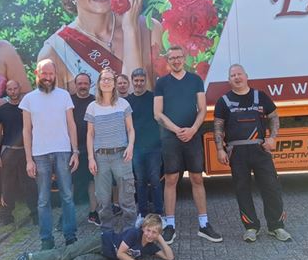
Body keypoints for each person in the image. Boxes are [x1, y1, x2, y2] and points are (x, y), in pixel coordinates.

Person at [213, 64, 291, 242]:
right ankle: (251, 227)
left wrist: (272, 138)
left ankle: (276, 226)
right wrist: (219, 149)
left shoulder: (260, 96)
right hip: (236, 151)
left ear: (246, 76)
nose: (237, 77)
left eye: (239, 74)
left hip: (259, 150)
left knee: (271, 187)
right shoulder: (223, 101)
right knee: (242, 190)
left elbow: (274, 117)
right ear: (229, 80)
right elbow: (218, 126)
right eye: (233, 75)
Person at [154, 46, 222, 244]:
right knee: (171, 179)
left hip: (192, 136)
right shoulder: (162, 83)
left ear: (184, 58)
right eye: (172, 58)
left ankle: (204, 224)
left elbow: (203, 109)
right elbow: (157, 113)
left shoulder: (195, 80)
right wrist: (176, 130)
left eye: (179, 57)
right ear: (168, 60)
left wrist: (192, 129)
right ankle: (170, 226)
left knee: (196, 178)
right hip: (170, 137)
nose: (176, 61)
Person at [20, 59, 79, 250]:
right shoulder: (28, 99)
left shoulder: (64, 96)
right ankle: (46, 239)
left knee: (67, 196)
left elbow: (72, 125)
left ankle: (70, 236)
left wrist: (75, 151)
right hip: (40, 155)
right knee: (43, 199)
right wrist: (29, 160)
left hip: (63, 151)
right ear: (37, 74)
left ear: (55, 75)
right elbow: (26, 131)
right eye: (44, 73)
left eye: (51, 73)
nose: (47, 77)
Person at [15, 213, 173, 260]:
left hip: (106, 255)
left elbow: (169, 257)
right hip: (102, 242)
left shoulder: (151, 245)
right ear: (143, 228)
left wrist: (160, 239)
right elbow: (120, 254)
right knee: (64, 256)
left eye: (154, 232)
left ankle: (68, 253)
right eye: (149, 230)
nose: (150, 235)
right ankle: (29, 257)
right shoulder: (134, 233)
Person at [85, 68, 136, 232]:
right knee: (103, 199)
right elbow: (90, 134)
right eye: (103, 79)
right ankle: (107, 233)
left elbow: (131, 129)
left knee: (127, 198)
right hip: (101, 158)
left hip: (122, 155)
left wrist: (130, 146)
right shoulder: (92, 107)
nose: (106, 81)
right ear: (99, 83)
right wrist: (91, 158)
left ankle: (129, 232)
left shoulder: (123, 104)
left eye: (109, 79)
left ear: (114, 84)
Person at [0, 80, 38, 226]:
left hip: (26, 152)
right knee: (7, 186)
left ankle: (36, 216)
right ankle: (5, 217)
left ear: (20, 88)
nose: (13, 91)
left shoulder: (27, 108)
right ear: (6, 91)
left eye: (15, 88)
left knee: (30, 185)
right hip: (9, 152)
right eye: (9, 89)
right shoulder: (1, 110)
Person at [126, 68, 163, 221]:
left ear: (145, 81)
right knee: (140, 181)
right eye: (136, 81)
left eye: (142, 80)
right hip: (137, 148)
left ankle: (159, 213)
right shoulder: (127, 101)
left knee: (155, 180)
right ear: (132, 82)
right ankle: (142, 214)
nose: (139, 83)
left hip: (154, 147)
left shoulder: (153, 98)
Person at [70, 72, 100, 225]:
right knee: (70, 183)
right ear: (75, 85)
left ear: (90, 85)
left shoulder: (95, 101)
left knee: (92, 181)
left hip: (92, 148)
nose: (82, 86)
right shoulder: (69, 102)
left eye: (85, 83)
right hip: (72, 149)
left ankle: (93, 213)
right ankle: (68, 216)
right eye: (79, 83)